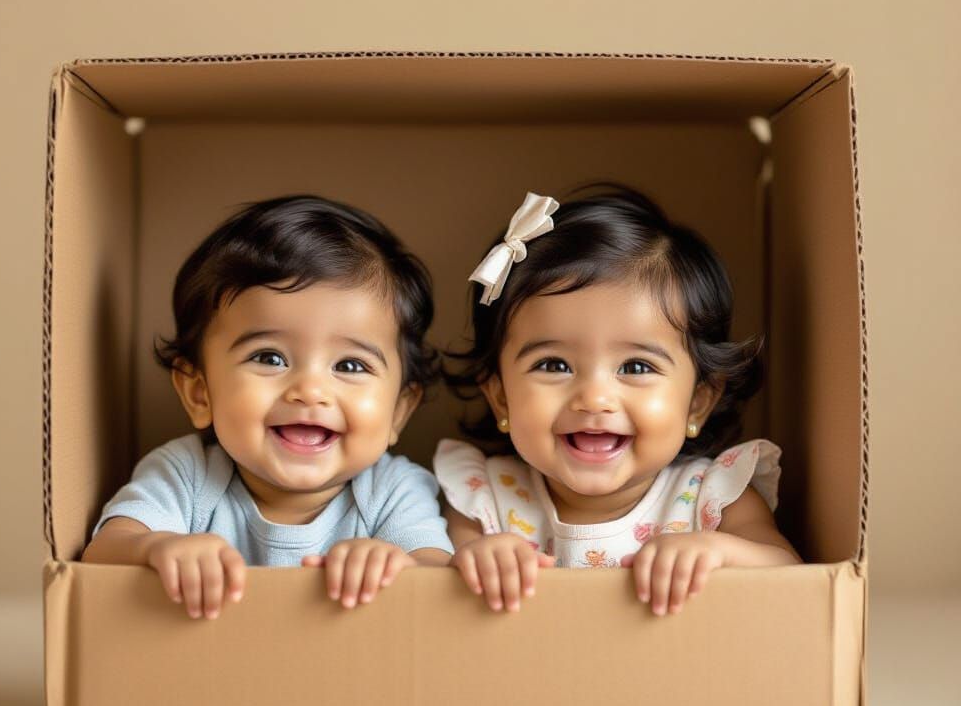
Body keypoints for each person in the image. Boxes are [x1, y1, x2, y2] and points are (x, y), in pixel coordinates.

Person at [435, 186, 800, 618]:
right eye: (553, 365)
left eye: (636, 367)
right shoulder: (483, 499)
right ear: (500, 397)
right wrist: (476, 558)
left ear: (698, 402)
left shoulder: (714, 496)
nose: (594, 398)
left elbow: (791, 575)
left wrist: (719, 552)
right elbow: (430, 590)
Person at [83, 196, 452, 619]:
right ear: (199, 394)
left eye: (350, 365)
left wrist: (395, 566)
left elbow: (438, 573)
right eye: (269, 358)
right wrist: (157, 547)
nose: (310, 390)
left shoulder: (392, 490)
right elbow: (103, 552)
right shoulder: (187, 474)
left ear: (399, 412)